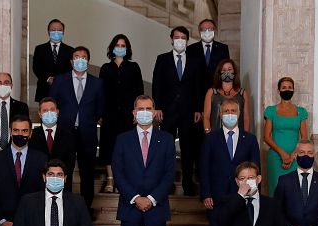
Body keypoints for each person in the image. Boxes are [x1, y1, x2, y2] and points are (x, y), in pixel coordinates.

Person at [112, 95, 176, 226]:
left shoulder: (166, 139)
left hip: (156, 207)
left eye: (149, 108)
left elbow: (169, 173)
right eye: (141, 108)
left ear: (155, 113)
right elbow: (118, 171)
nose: (145, 112)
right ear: (134, 113)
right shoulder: (123, 139)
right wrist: (135, 197)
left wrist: (151, 198)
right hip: (130, 206)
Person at [199, 98, 261, 226]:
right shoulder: (211, 138)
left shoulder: (249, 139)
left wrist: (256, 195)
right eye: (226, 111)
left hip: (244, 197)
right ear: (220, 114)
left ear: (240, 114)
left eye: (233, 111)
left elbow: (256, 168)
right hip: (217, 197)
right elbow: (204, 168)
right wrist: (206, 194)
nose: (230, 114)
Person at [50, 46, 105, 212]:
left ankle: (85, 207)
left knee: (87, 173)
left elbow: (100, 108)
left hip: (87, 133)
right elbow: (52, 104)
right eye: (77, 56)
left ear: (88, 60)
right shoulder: (60, 80)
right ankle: (64, 206)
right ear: (71, 60)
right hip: (65, 132)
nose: (80, 59)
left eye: (84, 57)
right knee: (64, 171)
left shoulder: (97, 83)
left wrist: (87, 121)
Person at [152, 25, 205, 196]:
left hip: (189, 112)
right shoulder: (162, 59)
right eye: (177, 37)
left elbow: (199, 86)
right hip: (167, 111)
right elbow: (157, 84)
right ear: (171, 39)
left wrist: (198, 109)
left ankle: (188, 183)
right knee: (166, 149)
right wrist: (157, 107)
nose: (180, 40)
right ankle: (166, 183)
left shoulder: (196, 60)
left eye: (183, 37)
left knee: (188, 149)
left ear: (187, 40)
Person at [99, 34, 144, 194]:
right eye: (117, 45)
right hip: (110, 114)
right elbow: (101, 93)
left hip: (127, 115)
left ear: (127, 49)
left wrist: (137, 112)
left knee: (127, 148)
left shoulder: (134, 67)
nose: (120, 48)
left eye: (123, 45)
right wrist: (101, 114)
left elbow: (140, 92)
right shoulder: (105, 68)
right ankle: (110, 180)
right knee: (109, 146)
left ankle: (123, 180)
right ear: (112, 48)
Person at [263, 76, 309, 196]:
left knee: (294, 193)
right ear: (279, 91)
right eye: (284, 87)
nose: (287, 90)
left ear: (293, 90)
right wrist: (282, 154)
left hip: (295, 158)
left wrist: (292, 155)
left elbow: (304, 138)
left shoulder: (301, 112)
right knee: (275, 191)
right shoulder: (271, 110)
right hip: (276, 157)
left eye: (290, 87)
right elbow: (266, 137)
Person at [29, 97, 77, 184]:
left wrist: (60, 177)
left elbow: (71, 161)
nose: (49, 113)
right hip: (37, 184)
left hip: (62, 183)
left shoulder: (68, 135)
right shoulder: (31, 135)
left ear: (57, 112)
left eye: (52, 110)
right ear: (39, 113)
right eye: (45, 110)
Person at [202, 59, 251, 133]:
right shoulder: (211, 92)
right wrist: (208, 133)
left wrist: (245, 137)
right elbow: (206, 117)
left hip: (237, 136)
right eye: (224, 70)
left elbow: (246, 118)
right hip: (216, 135)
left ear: (234, 72)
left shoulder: (242, 93)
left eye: (229, 69)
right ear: (219, 73)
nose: (227, 72)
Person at [32, 19, 74, 102]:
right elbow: (36, 68)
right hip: (44, 89)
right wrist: (48, 79)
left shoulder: (70, 50)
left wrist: (58, 80)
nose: (56, 32)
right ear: (48, 32)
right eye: (53, 30)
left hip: (63, 90)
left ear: (63, 32)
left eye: (59, 30)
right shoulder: (39, 49)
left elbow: (70, 69)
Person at [187, 18, 230, 93]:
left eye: (210, 29)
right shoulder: (191, 49)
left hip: (217, 91)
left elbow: (226, 71)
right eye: (204, 29)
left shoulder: (223, 48)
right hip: (196, 92)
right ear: (199, 32)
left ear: (215, 31)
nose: (207, 32)